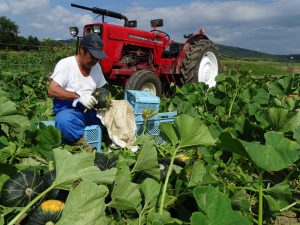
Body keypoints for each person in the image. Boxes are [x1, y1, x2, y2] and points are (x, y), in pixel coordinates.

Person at [47, 33, 107, 151]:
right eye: (93, 56)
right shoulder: (66, 64)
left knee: (117, 113)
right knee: (65, 122)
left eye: (98, 57)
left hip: (91, 110)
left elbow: (102, 89)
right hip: (71, 110)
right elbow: (52, 90)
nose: (95, 60)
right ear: (81, 50)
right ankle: (84, 146)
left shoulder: (96, 67)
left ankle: (116, 141)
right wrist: (78, 96)